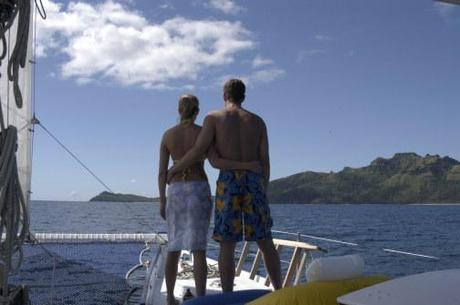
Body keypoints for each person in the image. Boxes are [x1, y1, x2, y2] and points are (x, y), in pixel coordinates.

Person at [168, 79, 282, 292]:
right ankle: (280, 292)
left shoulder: (213, 118)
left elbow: (201, 154)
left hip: (228, 182)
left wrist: (174, 169)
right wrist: (262, 188)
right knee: (265, 241)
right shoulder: (258, 122)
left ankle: (227, 297)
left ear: (224, 95)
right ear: (244, 96)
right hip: (254, 180)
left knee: (227, 245)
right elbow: (265, 161)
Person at [158, 94, 259, 305]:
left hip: (175, 190)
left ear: (179, 110)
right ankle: (202, 299)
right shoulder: (202, 133)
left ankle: (169, 298)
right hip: (198, 188)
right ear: (197, 112)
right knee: (199, 249)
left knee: (174, 247)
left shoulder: (167, 135)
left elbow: (161, 173)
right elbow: (213, 160)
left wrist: (161, 200)